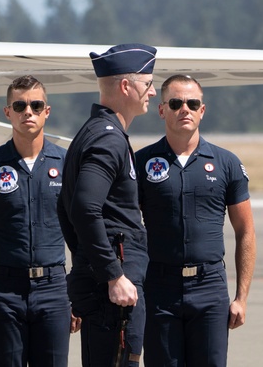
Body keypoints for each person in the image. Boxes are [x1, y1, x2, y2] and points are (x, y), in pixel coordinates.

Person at [135, 74, 256, 367]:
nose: (184, 109)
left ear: (203, 110)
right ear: (162, 109)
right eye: (175, 103)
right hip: (159, 289)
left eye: (192, 103)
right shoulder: (140, 163)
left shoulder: (226, 163)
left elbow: (245, 231)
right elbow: (124, 228)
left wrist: (241, 296)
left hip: (210, 288)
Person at [0, 75, 80, 367]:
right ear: (8, 112)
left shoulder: (68, 164)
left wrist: (80, 294)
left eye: (36, 105)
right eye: (20, 105)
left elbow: (82, 236)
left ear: (46, 112)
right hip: (5, 291)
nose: (28, 111)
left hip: (54, 290)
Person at [58, 43, 157, 367]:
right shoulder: (107, 138)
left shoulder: (98, 133)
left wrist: (87, 260)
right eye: (147, 83)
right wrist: (113, 275)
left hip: (107, 280)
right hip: (114, 290)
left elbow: (66, 207)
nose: (153, 92)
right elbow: (84, 208)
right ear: (126, 87)